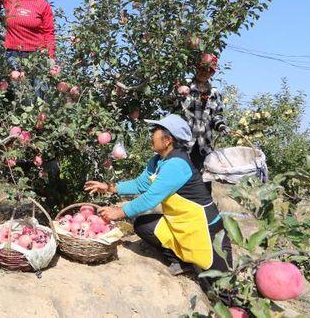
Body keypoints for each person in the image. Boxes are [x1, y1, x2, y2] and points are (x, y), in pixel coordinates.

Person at [84, 114, 232, 278]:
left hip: (206, 229)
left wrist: (118, 212)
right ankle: (182, 263)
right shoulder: (157, 161)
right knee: (143, 225)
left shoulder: (177, 165)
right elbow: (140, 185)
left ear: (167, 140)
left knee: (221, 286)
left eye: (155, 131)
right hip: (179, 223)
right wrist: (109, 187)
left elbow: (150, 198)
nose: (151, 135)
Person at [175, 54, 230, 192]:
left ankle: (205, 210)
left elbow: (216, 115)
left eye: (209, 71)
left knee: (203, 180)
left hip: (203, 144)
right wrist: (178, 93)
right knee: (181, 178)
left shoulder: (214, 93)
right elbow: (171, 106)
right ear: (197, 68)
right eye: (203, 69)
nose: (205, 73)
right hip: (184, 141)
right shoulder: (184, 85)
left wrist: (221, 126)